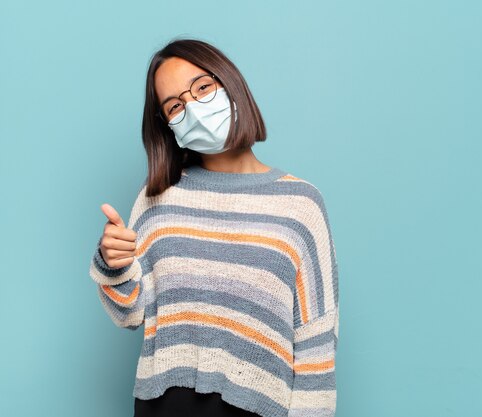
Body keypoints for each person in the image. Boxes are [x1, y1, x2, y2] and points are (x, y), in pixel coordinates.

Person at [88, 38, 340, 417]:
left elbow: (316, 341)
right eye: (175, 106)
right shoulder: (158, 197)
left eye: (202, 88)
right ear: (168, 125)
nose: (192, 108)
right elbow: (130, 314)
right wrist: (114, 262)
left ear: (230, 84)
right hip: (163, 406)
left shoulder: (301, 205)